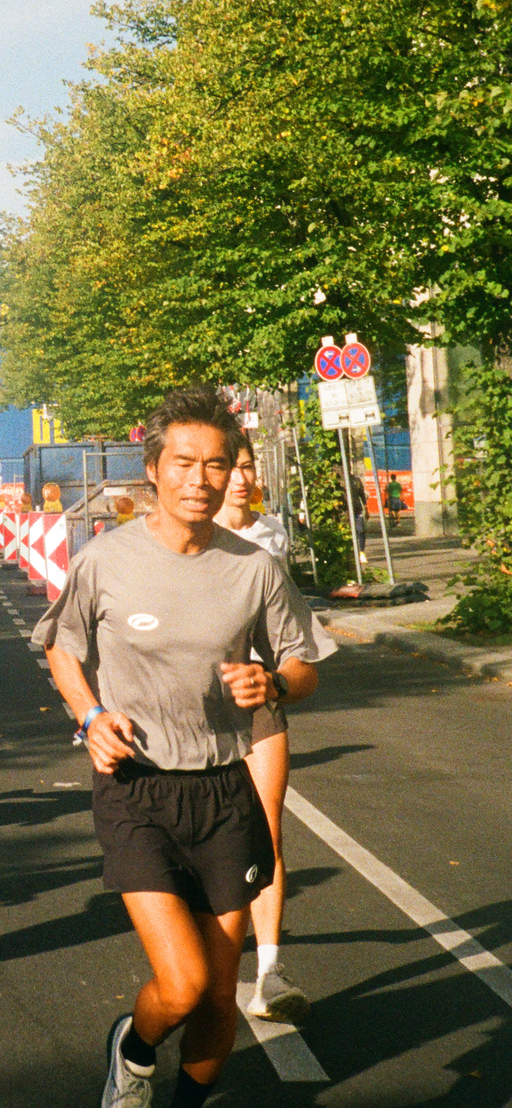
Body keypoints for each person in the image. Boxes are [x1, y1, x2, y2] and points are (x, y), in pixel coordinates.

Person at [36, 385, 328, 1108]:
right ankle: (132, 1052)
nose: (203, 479)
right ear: (153, 471)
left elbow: (304, 668)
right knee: (184, 980)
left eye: (219, 464)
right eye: (186, 463)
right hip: (135, 788)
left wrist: (271, 681)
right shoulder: (104, 559)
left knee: (217, 995)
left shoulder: (255, 569)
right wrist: (90, 713)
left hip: (223, 790)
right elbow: (61, 648)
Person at [214, 437, 334, 1023]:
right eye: (227, 468)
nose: (238, 479)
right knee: (206, 842)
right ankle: (209, 956)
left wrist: (279, 676)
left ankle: (268, 971)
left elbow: (295, 641)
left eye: (244, 468)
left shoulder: (270, 537)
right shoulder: (191, 532)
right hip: (193, 710)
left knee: (266, 832)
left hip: (259, 701)